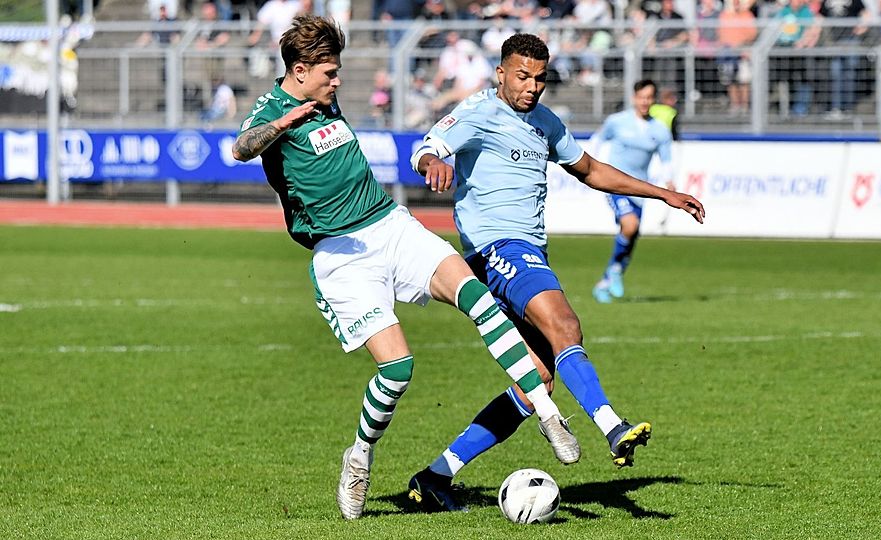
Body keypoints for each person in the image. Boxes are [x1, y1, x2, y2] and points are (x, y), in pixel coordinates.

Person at [231, 16, 577, 521]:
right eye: (329, 73)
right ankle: (359, 457)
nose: (337, 81)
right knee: (397, 370)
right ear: (300, 71)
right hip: (341, 254)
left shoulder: (323, 97)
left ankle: (548, 414)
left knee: (477, 296)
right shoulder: (273, 109)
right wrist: (282, 125)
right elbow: (241, 148)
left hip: (390, 224)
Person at [406, 34, 705, 511]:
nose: (531, 86)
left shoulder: (545, 122)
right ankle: (612, 426)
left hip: (527, 253)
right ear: (501, 73)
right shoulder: (478, 111)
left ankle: (435, 476)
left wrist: (663, 194)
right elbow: (427, 146)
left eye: (539, 78)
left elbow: (590, 170)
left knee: (537, 383)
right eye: (522, 76)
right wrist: (431, 161)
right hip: (496, 249)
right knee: (565, 325)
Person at [590, 80, 674, 304]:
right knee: (630, 225)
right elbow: (597, 139)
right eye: (641, 97)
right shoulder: (617, 121)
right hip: (614, 184)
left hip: (639, 189)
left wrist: (669, 181)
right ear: (634, 98)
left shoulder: (660, 130)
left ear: (653, 99)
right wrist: (589, 166)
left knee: (631, 237)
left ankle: (606, 281)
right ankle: (614, 272)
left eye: (649, 97)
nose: (645, 101)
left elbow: (666, 159)